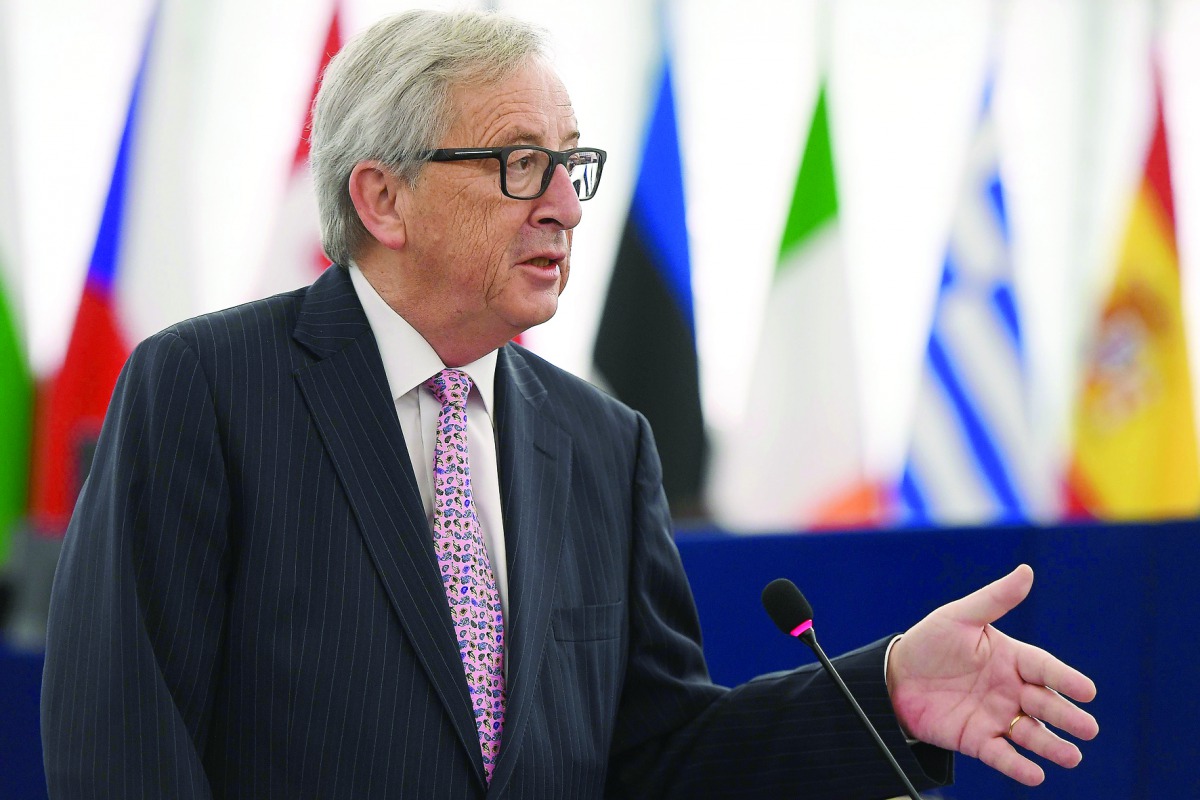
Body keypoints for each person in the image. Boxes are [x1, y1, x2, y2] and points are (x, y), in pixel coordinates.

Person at [41, 9, 1097, 799]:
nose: (562, 205)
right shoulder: (205, 391)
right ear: (381, 197)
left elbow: (661, 754)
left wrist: (889, 689)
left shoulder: (601, 443)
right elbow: (119, 737)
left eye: (570, 164)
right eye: (517, 164)